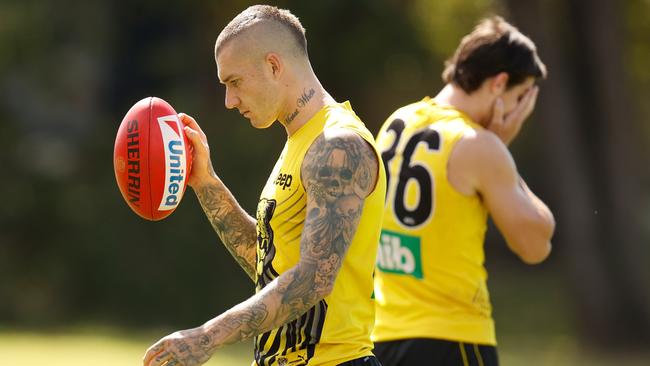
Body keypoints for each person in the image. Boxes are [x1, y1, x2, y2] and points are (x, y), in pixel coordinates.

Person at [143, 5, 386, 366]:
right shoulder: (300, 142)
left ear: (273, 66)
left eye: (234, 82)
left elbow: (314, 278)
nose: (229, 101)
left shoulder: (338, 145)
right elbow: (270, 261)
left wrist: (208, 336)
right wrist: (206, 184)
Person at [371, 17, 555, 366]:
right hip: (451, 341)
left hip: (383, 339)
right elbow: (536, 243)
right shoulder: (479, 145)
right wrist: (503, 151)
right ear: (499, 84)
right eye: (519, 98)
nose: (520, 112)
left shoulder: (396, 122)